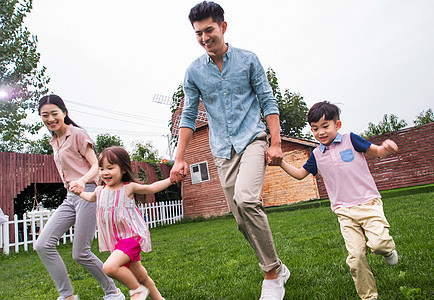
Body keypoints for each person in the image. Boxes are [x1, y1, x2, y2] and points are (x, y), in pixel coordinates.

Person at [169, 2, 289, 299]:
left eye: (209, 30)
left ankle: (271, 275)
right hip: (222, 150)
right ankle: (278, 266)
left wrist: (275, 142)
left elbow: (268, 102)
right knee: (240, 219)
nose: (204, 37)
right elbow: (187, 116)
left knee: (247, 201)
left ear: (223, 27)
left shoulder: (248, 60)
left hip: (252, 140)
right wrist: (179, 157)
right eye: (198, 33)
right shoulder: (194, 71)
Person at [280, 101, 399, 300]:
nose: (320, 133)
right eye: (315, 129)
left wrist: (386, 147)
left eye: (325, 126)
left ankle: (387, 251)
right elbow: (300, 174)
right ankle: (369, 296)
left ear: (338, 125)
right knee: (355, 258)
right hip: (344, 211)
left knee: (379, 245)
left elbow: (376, 151)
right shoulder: (317, 155)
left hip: (368, 203)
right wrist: (281, 162)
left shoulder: (351, 140)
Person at [34, 95, 125, 300]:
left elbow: (96, 165)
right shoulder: (54, 141)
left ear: (64, 113)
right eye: (45, 115)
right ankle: (67, 296)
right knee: (42, 244)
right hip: (71, 197)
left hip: (89, 193)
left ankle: (113, 292)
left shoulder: (77, 134)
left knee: (80, 253)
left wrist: (83, 181)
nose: (50, 118)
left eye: (54, 113)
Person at [74, 146, 172, 300]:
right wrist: (79, 192)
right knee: (142, 276)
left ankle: (137, 291)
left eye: (110, 168)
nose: (105, 172)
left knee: (109, 268)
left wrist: (171, 179)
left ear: (124, 169)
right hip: (118, 243)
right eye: (101, 168)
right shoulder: (100, 191)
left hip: (131, 239)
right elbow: (90, 197)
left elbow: (151, 188)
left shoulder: (128, 188)